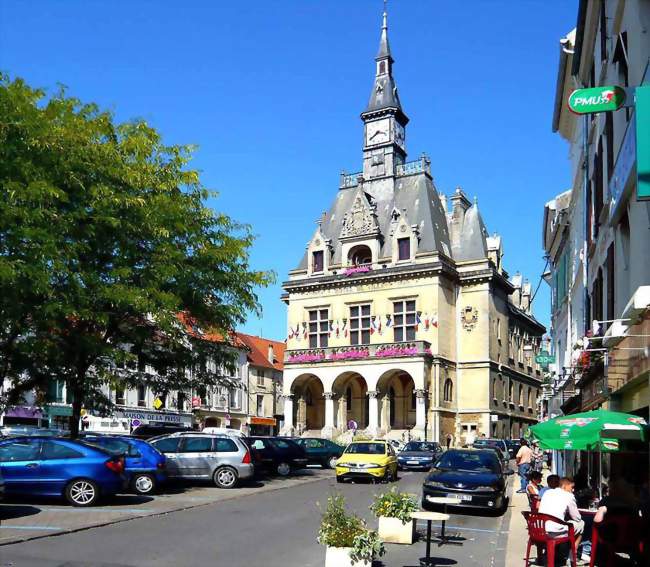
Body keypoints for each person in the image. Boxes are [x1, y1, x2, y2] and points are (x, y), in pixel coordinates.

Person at [539, 477, 585, 563]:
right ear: (564, 486)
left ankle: (558, 553)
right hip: (554, 532)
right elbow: (577, 517)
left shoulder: (547, 492)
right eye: (571, 487)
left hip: (540, 529)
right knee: (581, 523)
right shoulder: (569, 496)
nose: (573, 490)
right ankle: (572, 555)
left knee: (564, 524)